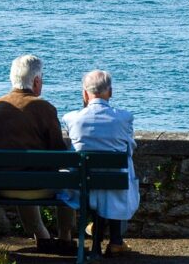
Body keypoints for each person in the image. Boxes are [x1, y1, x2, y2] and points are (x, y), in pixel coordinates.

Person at [0, 55, 76, 254]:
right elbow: (59, 152)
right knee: (67, 177)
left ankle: (42, 236)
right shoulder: (45, 108)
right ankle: (65, 237)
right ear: (36, 81)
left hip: (4, 186)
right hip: (39, 187)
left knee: (20, 172)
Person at [62, 70, 139, 258]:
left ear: (85, 93)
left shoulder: (71, 118)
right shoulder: (124, 118)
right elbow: (130, 149)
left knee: (97, 185)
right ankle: (115, 241)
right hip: (115, 184)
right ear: (110, 92)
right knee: (115, 177)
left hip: (82, 186)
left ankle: (98, 245)